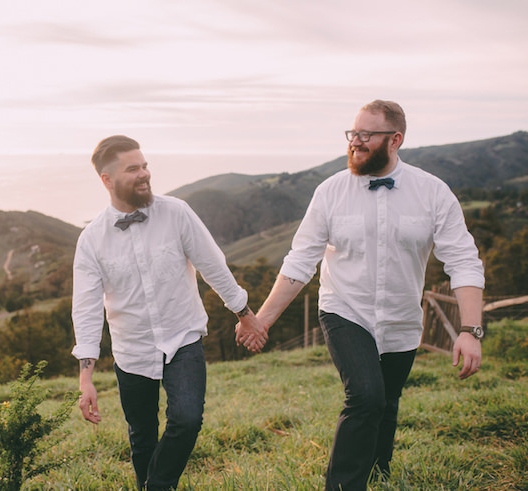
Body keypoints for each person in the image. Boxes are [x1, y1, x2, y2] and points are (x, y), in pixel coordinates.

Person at [236, 100, 485, 490]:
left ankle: (378, 474)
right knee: (366, 397)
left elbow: (464, 262)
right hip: (344, 311)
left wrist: (470, 330)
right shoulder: (330, 192)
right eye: (353, 133)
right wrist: (261, 319)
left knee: (385, 402)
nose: (356, 142)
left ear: (395, 140)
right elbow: (300, 261)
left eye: (367, 135)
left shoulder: (433, 193)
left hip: (402, 320)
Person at [72, 135, 266, 490]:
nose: (145, 173)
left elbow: (213, 266)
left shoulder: (176, 213)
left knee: (188, 419)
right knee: (142, 436)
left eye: (144, 165)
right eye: (133, 169)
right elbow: (85, 310)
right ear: (107, 180)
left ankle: (156, 486)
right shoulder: (91, 240)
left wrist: (244, 313)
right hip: (131, 351)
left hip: (183, 338)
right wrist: (86, 376)